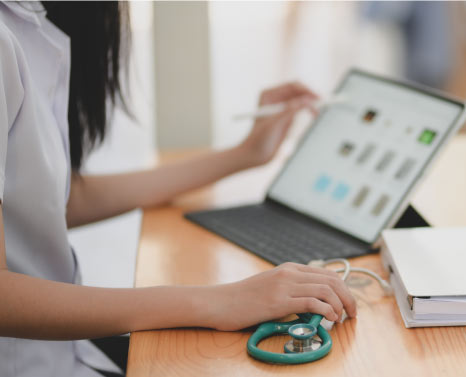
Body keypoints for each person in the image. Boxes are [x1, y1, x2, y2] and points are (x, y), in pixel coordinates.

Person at [0, 2, 357, 376]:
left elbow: (62, 200)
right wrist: (220, 301)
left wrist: (244, 154)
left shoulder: (29, 22)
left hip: (63, 355)